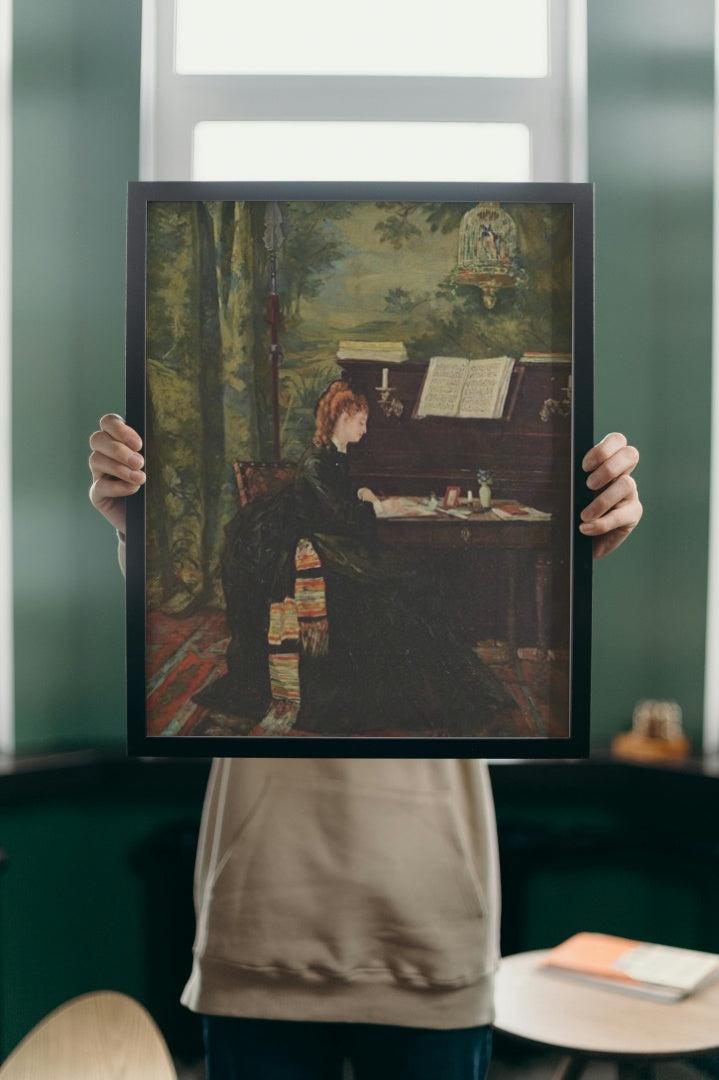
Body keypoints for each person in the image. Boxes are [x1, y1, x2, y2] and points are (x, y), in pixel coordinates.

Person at [89, 414, 642, 1080]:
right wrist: (133, 527)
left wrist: (575, 554)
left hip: (433, 924)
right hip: (262, 919)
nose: (366, 425)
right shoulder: (319, 470)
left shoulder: (350, 460)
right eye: (358, 415)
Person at [195, 380, 514, 737]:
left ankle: (448, 689)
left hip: (335, 543)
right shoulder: (315, 461)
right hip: (320, 551)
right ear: (343, 417)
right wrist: (379, 507)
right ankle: (431, 696)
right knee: (402, 582)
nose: (365, 429)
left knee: (415, 577)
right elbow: (339, 516)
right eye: (360, 421)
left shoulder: (333, 456)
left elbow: (338, 500)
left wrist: (361, 493)